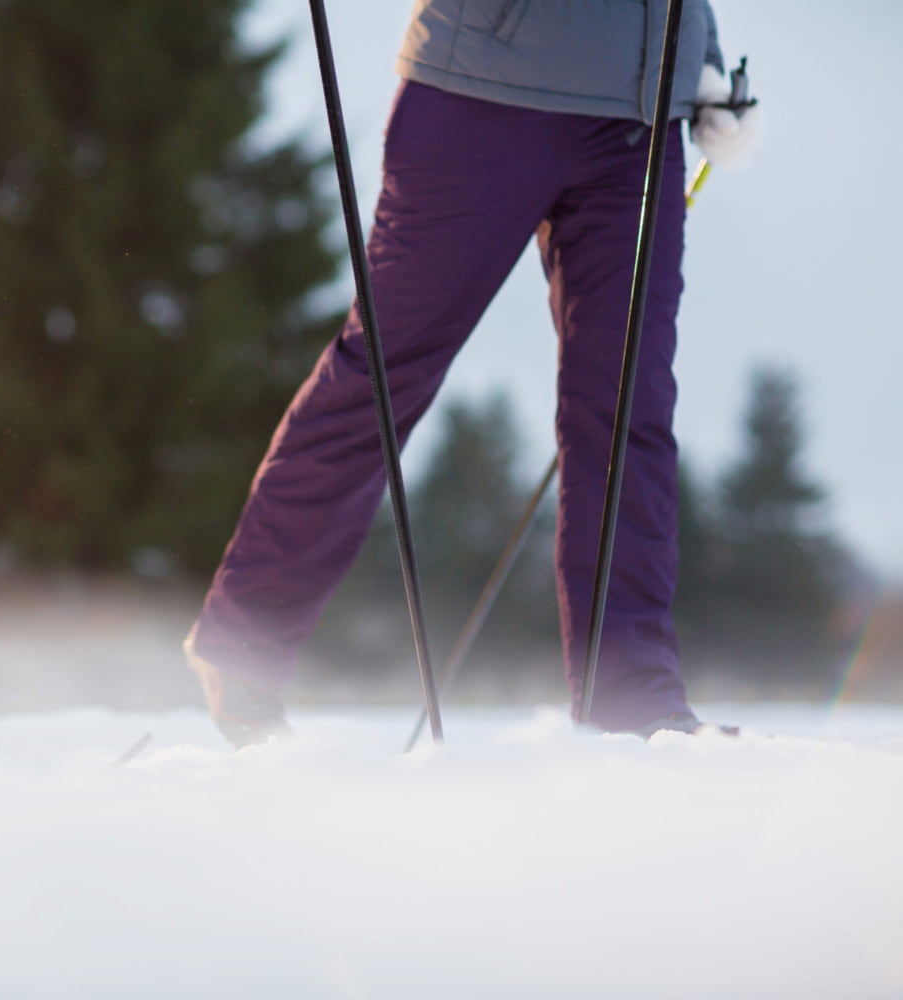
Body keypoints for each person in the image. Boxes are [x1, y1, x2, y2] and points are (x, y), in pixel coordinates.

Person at [185, 0, 760, 747]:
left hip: (642, 122)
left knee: (627, 407)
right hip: (482, 92)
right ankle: (244, 637)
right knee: (385, 374)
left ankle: (631, 693)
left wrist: (703, 59)